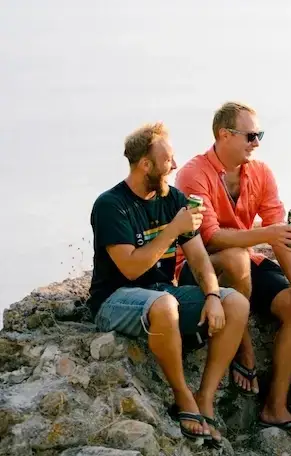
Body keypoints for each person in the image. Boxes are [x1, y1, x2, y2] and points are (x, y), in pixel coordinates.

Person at [87, 122, 249, 447]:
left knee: (236, 304)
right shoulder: (110, 206)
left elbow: (200, 259)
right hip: (114, 300)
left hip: (163, 295)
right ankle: (183, 395)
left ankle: (205, 397)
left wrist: (214, 295)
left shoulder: (173, 198)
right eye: (167, 161)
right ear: (145, 165)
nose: (175, 166)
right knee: (165, 305)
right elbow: (131, 268)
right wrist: (173, 230)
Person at [174, 101, 291, 442]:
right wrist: (267, 234)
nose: (257, 142)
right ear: (225, 135)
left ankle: (276, 406)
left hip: (246, 264)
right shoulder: (194, 173)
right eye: (251, 135)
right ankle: (244, 347)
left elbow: (278, 232)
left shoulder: (261, 172)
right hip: (199, 267)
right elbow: (210, 236)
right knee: (237, 257)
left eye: (259, 135)